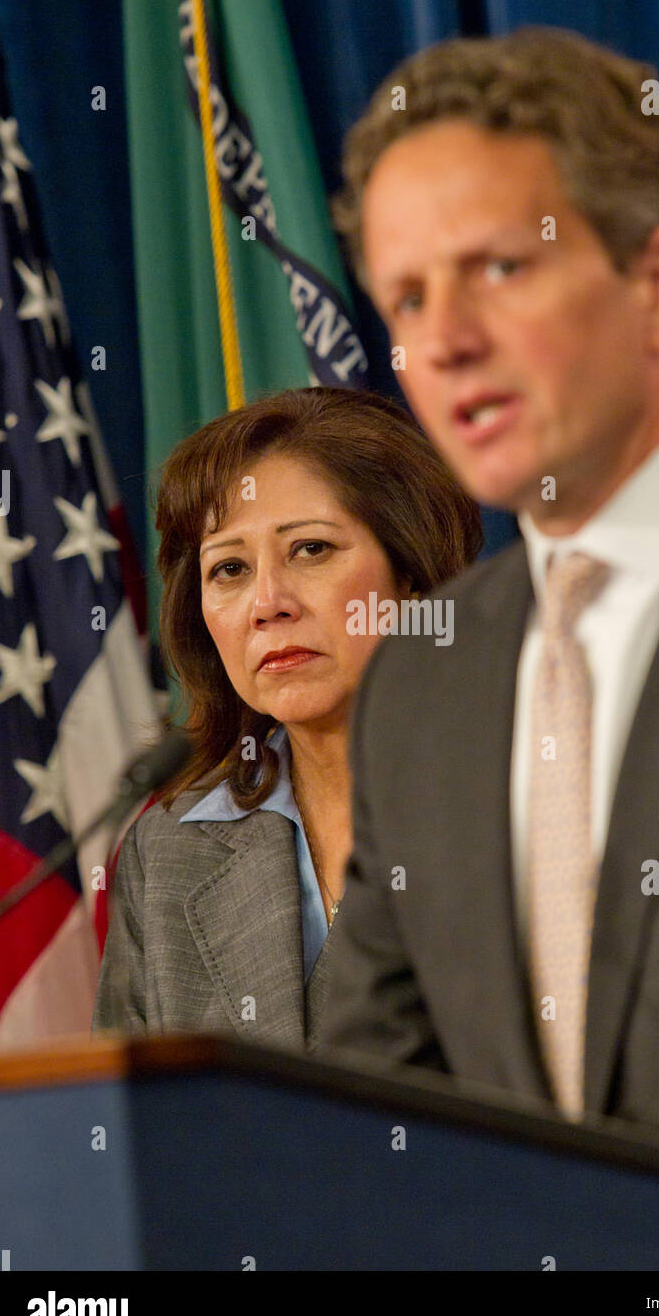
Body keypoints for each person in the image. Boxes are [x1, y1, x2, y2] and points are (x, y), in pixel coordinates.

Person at [317, 27, 659, 1168]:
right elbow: (375, 1109)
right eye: (404, 297)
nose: (441, 341)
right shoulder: (427, 673)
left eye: (499, 268)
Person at [91, 386, 481, 1049]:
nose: (267, 603)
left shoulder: (527, 805)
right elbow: (128, 1133)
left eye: (311, 550)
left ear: (410, 574)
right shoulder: (168, 854)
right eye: (231, 568)